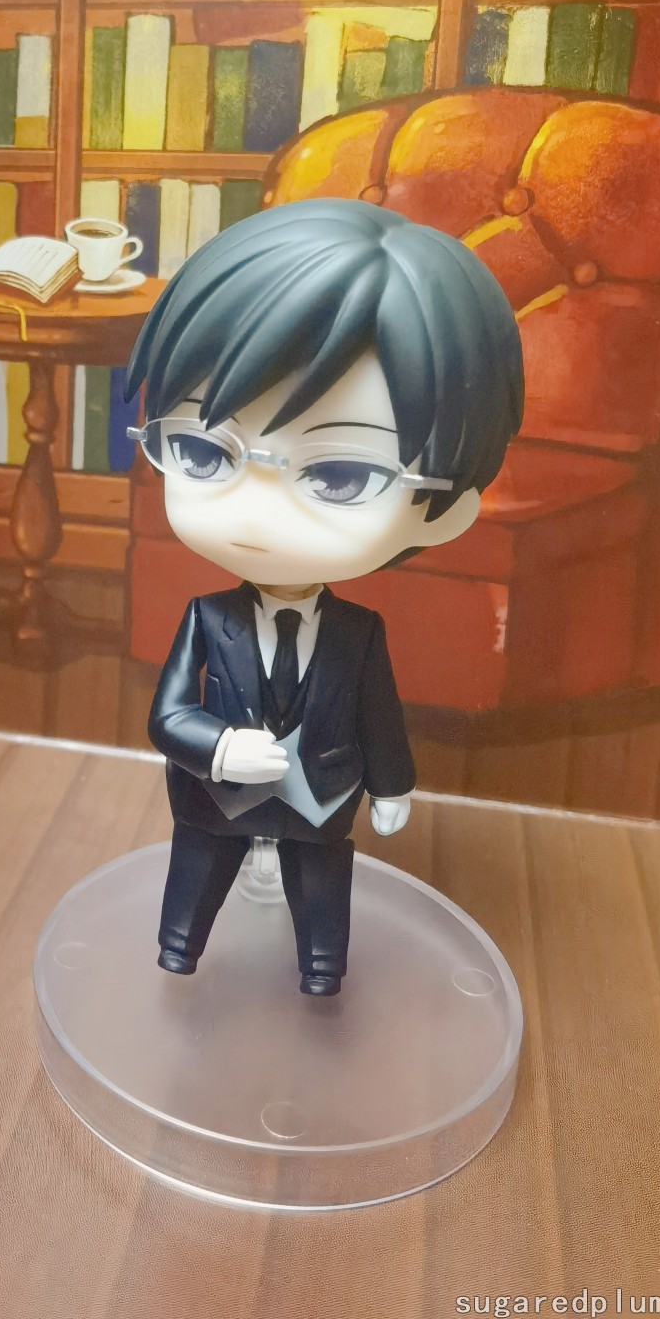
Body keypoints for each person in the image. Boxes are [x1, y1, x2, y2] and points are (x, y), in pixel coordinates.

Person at [123, 198, 523, 995]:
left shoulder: (359, 631)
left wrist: (394, 784)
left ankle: (320, 971)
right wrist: (218, 746)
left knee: (322, 893)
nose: (255, 509)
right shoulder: (208, 618)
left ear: (443, 507)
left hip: (323, 795)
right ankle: (177, 952)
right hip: (216, 797)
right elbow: (167, 714)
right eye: (203, 452)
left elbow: (380, 714)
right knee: (194, 882)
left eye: (339, 475)